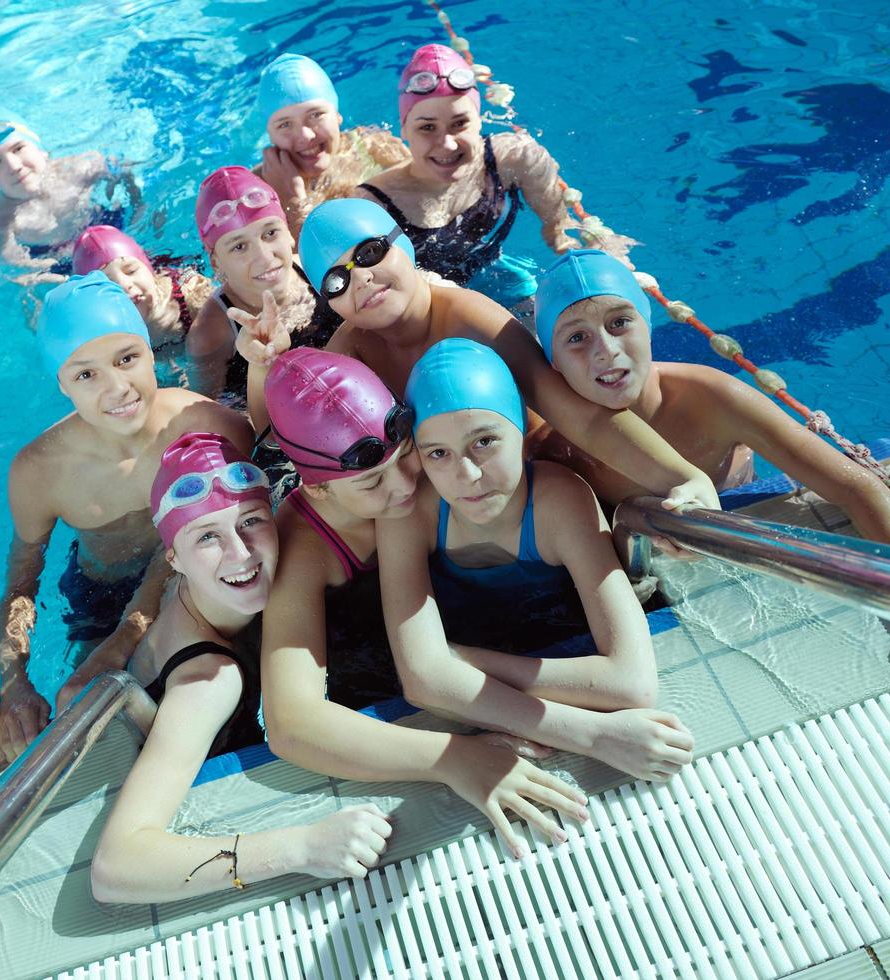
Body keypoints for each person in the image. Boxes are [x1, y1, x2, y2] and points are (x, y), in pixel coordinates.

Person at [533, 248, 890, 720]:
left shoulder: (711, 397)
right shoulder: (554, 449)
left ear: (649, 325)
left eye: (620, 323)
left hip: (734, 507)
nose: (606, 351)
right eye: (576, 338)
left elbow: (853, 485)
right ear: (553, 367)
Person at [258, 347, 594, 858]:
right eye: (372, 481)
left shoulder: (446, 470)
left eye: (408, 454)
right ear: (320, 491)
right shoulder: (304, 551)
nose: (404, 486)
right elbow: (290, 723)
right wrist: (452, 758)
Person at [237, 198, 721, 517]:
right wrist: (266, 364)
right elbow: (291, 445)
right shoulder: (351, 350)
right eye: (337, 281)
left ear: (402, 243)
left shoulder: (473, 320)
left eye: (368, 254)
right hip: (458, 497)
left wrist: (682, 476)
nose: (360, 279)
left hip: (539, 478)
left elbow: (581, 419)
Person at [90, 432, 392, 903]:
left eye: (250, 521)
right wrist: (301, 848)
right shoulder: (208, 682)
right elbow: (116, 867)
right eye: (208, 536)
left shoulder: (194, 586)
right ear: (174, 559)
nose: (241, 552)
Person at [373, 338, 692, 783]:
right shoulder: (412, 510)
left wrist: (458, 660)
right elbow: (422, 680)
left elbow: (632, 683)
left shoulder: (560, 502)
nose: (466, 475)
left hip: (532, 627)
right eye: (438, 453)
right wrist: (594, 735)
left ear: (521, 432)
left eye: (484, 441)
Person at [0, 271, 253, 768]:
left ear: (152, 353)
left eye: (127, 359)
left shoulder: (202, 422)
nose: (117, 388)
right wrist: (14, 683)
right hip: (99, 589)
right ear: (62, 385)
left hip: (200, 574)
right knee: (87, 720)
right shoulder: (39, 472)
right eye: (86, 375)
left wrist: (130, 634)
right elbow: (20, 588)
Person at [352, 44, 621, 307]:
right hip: (434, 307)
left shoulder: (516, 158)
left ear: (479, 119)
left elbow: (560, 232)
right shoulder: (374, 204)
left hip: (501, 278)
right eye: (427, 127)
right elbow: (398, 290)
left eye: (460, 123)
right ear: (404, 130)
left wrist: (607, 262)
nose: (447, 143)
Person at [186, 165, 343, 413]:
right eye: (239, 247)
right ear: (216, 262)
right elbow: (208, 413)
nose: (264, 257)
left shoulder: (318, 270)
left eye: (270, 232)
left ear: (289, 233)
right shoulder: (211, 335)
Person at [0, 110, 139, 286]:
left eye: (18, 148)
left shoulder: (78, 169)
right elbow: (8, 258)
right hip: (56, 262)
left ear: (41, 150)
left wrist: (138, 206)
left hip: (106, 226)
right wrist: (48, 266)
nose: (13, 166)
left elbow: (122, 168)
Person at [253, 52, 410, 237]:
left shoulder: (371, 146)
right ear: (271, 136)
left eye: (315, 115)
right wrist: (291, 202)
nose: (306, 135)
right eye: (285, 124)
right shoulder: (256, 188)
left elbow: (431, 195)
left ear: (337, 115)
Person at [72, 225, 211, 388]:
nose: (125, 285)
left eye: (130, 271)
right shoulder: (99, 336)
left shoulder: (189, 295)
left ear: (148, 269)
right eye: (108, 283)